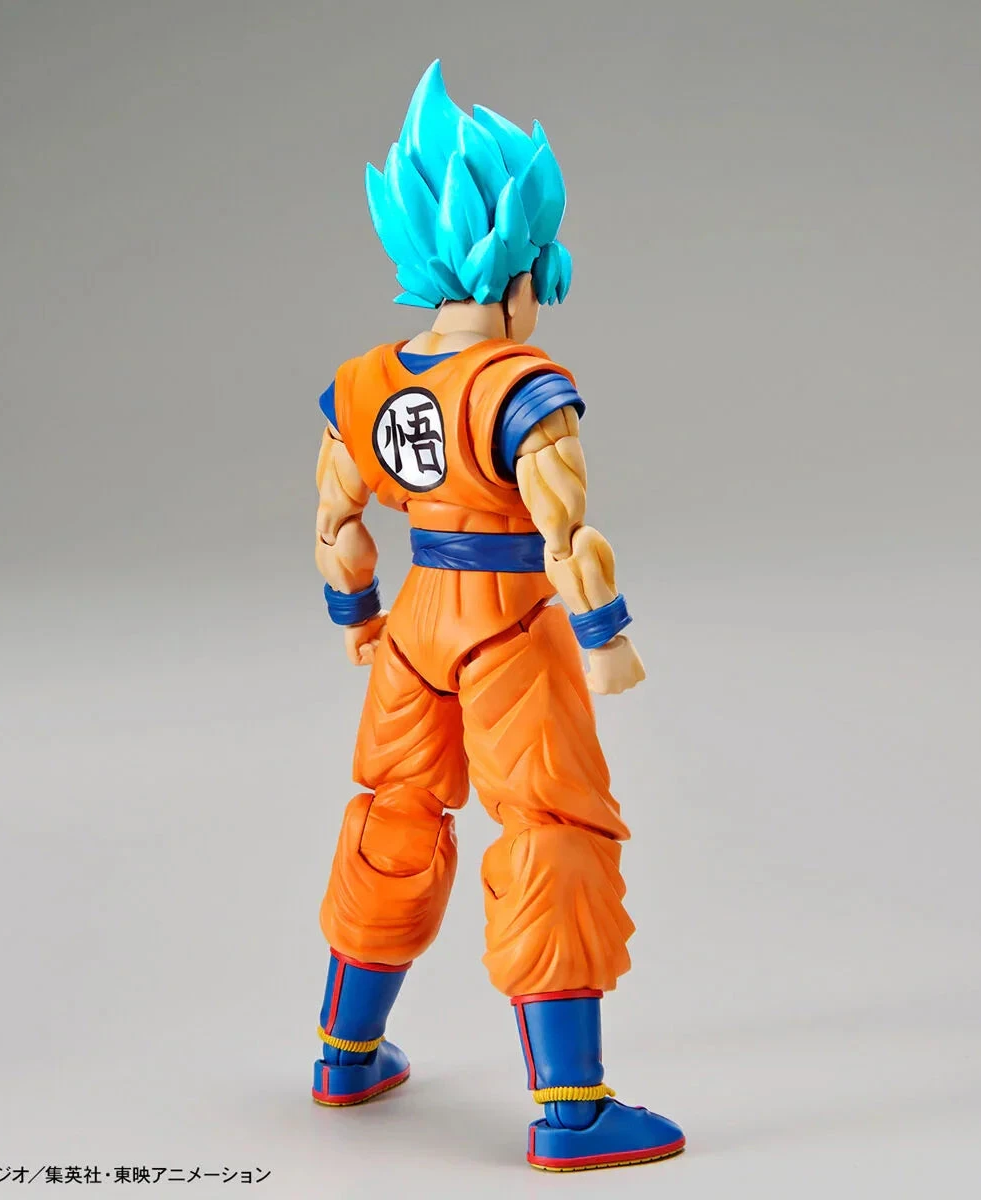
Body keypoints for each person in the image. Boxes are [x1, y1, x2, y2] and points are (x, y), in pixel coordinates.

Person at [309, 60, 684, 1172]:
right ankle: (572, 1110)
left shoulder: (364, 381)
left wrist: (358, 614)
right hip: (511, 622)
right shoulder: (521, 380)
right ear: (522, 264)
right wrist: (607, 641)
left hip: (415, 622)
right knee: (552, 827)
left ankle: (345, 1054)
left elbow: (336, 520)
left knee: (394, 810)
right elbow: (570, 532)